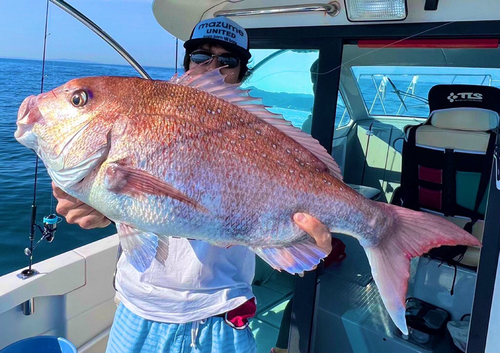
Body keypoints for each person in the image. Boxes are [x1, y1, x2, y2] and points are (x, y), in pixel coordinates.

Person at [52, 16, 332, 353]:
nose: (212, 67)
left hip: (222, 311)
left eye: (227, 60)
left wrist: (306, 244)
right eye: (201, 56)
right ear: (187, 62)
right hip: (137, 306)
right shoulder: (146, 116)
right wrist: (103, 211)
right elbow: (147, 201)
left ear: (242, 73)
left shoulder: (258, 131)